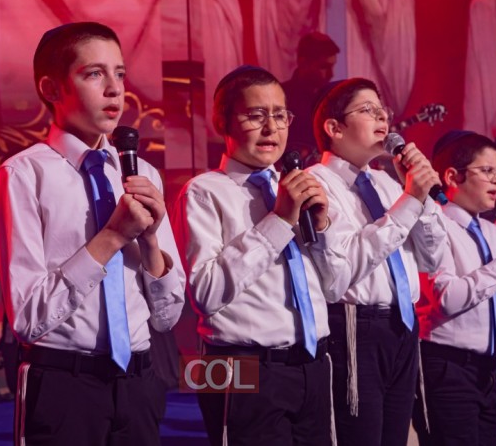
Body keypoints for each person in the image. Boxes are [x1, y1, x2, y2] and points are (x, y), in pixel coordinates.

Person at [0, 22, 186, 445]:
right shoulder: (24, 174)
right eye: (94, 74)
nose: (115, 89)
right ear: (51, 88)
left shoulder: (142, 172)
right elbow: (27, 319)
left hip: (140, 381)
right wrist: (112, 237)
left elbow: (167, 316)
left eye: (120, 74)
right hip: (66, 384)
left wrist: (151, 241)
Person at [172, 65, 346, 445]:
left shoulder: (295, 188)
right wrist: (279, 220)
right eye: (255, 115)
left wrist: (321, 228)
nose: (271, 128)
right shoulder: (203, 191)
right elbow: (205, 295)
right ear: (222, 122)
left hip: (314, 362)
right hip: (237, 364)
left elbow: (336, 288)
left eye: (280, 115)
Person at [307, 77, 447, 445]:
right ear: (335, 128)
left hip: (403, 324)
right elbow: (341, 271)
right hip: (356, 327)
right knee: (362, 436)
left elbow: (432, 258)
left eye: (382, 110)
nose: (382, 117)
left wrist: (421, 196)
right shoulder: (317, 183)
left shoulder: (388, 183)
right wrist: (409, 201)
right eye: (368, 110)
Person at [414, 130, 496, 445]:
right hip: (448, 367)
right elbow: (446, 298)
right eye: (486, 171)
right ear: (452, 176)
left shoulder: (490, 230)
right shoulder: (435, 224)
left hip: (489, 371)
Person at [281, 32, 340, 161]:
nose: (331, 74)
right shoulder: (281, 97)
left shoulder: (334, 98)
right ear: (303, 63)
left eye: (332, 66)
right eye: (324, 67)